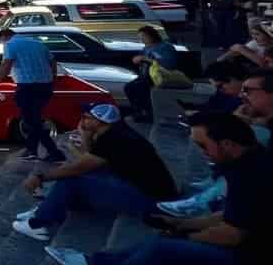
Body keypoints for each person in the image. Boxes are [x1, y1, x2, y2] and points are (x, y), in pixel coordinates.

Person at [51, 112, 273, 265]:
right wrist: (182, 224)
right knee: (168, 234)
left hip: (256, 264)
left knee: (164, 247)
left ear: (227, 144)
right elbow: (237, 215)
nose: (202, 152)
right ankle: (98, 263)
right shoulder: (249, 162)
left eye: (203, 146)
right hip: (250, 247)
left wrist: (184, 234)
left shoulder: (251, 176)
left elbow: (232, 234)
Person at [12, 103, 176, 241]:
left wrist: (39, 177)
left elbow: (79, 167)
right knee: (81, 177)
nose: (82, 120)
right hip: (145, 190)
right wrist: (85, 137)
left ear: (100, 122)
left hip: (151, 201)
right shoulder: (116, 132)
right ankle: (48, 208)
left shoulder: (114, 140)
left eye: (87, 118)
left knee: (72, 179)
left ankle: (38, 224)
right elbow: (91, 162)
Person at [0, 26, 64, 163]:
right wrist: (53, 78)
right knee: (34, 119)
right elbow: (52, 61)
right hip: (45, 86)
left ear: (4, 37)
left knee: (31, 121)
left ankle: (55, 152)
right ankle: (31, 150)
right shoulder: (37, 43)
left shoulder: (10, 45)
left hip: (27, 87)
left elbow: (6, 66)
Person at [125, 25, 187, 124]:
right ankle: (141, 111)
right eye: (140, 38)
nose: (142, 40)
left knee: (138, 88)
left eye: (144, 37)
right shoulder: (146, 48)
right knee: (129, 87)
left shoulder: (165, 47)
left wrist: (146, 59)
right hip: (147, 76)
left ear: (152, 36)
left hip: (162, 76)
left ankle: (149, 113)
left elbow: (168, 64)